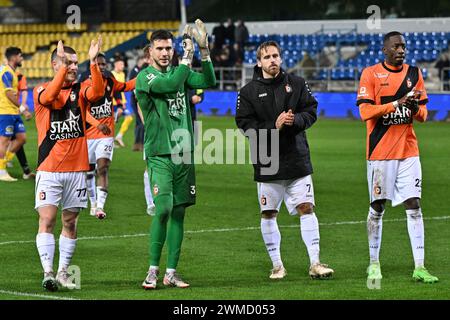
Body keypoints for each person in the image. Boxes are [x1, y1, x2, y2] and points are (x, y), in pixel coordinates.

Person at [235, 40, 334, 280]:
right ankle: (277, 265)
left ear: (281, 58)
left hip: (296, 158)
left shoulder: (297, 84)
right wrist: (274, 126)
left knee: (306, 208)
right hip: (267, 161)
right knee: (268, 213)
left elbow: (311, 111)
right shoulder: (247, 92)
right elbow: (245, 125)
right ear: (259, 62)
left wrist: (296, 121)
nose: (272, 60)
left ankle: (315, 263)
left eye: (276, 55)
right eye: (267, 57)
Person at [136, 20, 216, 289]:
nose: (165, 53)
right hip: (159, 153)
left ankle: (171, 273)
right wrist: (187, 57)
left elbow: (208, 80)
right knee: (163, 209)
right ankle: (152, 270)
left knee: (179, 213)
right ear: (150, 52)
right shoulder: (145, 77)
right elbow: (169, 86)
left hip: (184, 154)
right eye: (159, 49)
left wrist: (203, 51)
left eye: (168, 48)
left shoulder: (177, 73)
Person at [356, 31, 438, 283]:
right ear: (385, 50)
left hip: (409, 152)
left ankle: (420, 267)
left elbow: (424, 115)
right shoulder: (370, 74)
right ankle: (373, 263)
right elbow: (365, 112)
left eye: (403, 46)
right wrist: (395, 104)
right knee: (377, 207)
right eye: (396, 46)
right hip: (380, 153)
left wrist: (414, 108)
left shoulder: (414, 74)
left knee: (414, 205)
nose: (401, 50)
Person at [33, 37, 109, 291]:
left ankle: (64, 271)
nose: (74, 66)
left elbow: (97, 93)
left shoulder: (81, 92)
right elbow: (52, 95)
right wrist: (64, 69)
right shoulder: (41, 91)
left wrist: (94, 64)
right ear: (55, 65)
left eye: (76, 63)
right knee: (48, 219)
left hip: (77, 170)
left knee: (70, 222)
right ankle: (48, 272)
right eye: (68, 62)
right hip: (49, 169)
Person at [84, 52, 135, 219]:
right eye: (98, 64)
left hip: (106, 135)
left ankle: (100, 206)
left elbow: (126, 86)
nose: (102, 67)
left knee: (103, 168)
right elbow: (82, 112)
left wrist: (144, 75)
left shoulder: (111, 81)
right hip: (89, 135)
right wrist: (97, 123)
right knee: (89, 172)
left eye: (103, 64)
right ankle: (92, 203)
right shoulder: (84, 85)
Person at [0, 47, 29, 182]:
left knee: (21, 138)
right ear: (14, 58)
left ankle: (3, 164)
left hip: (13, 112)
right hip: (5, 112)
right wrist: (22, 108)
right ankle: (1, 171)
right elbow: (8, 93)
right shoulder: (6, 72)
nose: (22, 58)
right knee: (4, 141)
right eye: (20, 56)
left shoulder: (12, 72)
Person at [7, 69, 35, 179]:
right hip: (6, 113)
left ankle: (25, 171)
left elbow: (23, 91)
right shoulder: (5, 75)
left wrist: (22, 106)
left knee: (19, 139)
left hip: (11, 113)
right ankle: (25, 171)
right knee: (17, 139)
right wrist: (24, 109)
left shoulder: (19, 76)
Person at [112, 57, 134, 147]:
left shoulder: (122, 74)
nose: (123, 66)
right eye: (121, 64)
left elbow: (122, 89)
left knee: (129, 118)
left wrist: (123, 102)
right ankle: (110, 141)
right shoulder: (111, 74)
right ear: (115, 65)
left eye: (123, 64)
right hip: (113, 102)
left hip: (121, 101)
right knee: (112, 122)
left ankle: (119, 136)